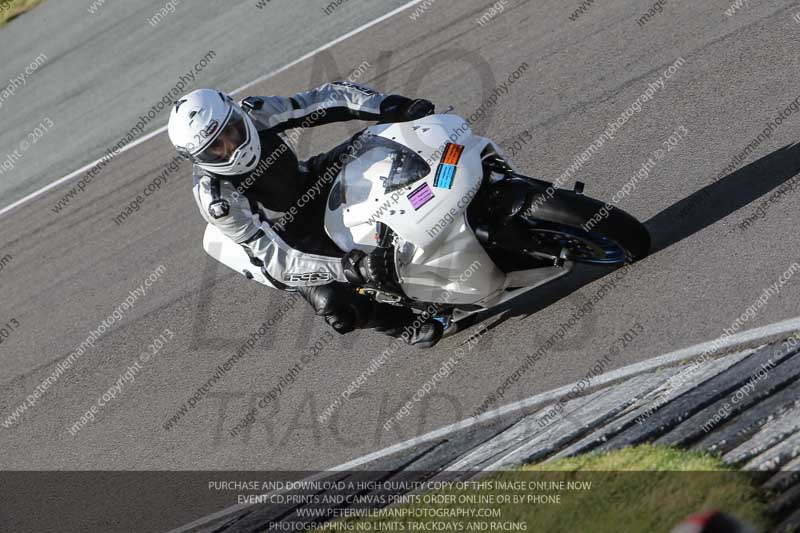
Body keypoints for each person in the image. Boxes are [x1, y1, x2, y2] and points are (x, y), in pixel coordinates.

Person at [167, 82, 444, 348]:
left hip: (308, 182)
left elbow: (321, 99)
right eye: (217, 148)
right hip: (284, 236)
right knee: (335, 305)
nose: (231, 147)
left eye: (232, 131)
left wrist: (388, 105)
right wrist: (351, 267)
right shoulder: (216, 197)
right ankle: (407, 324)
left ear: (237, 114)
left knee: (378, 140)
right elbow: (279, 260)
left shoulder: (256, 112)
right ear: (199, 158)